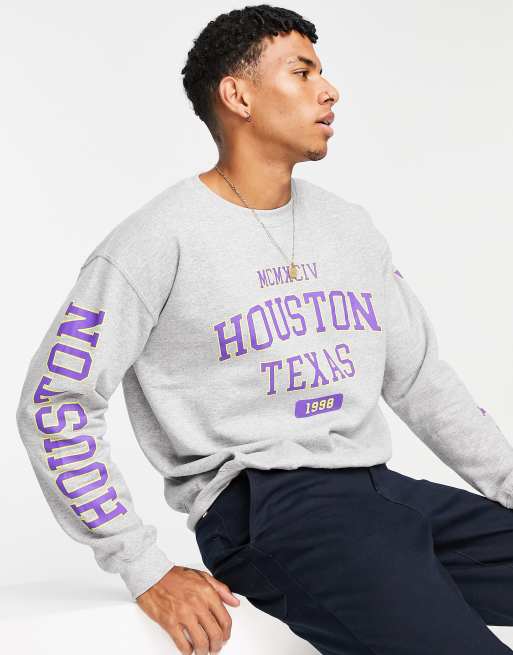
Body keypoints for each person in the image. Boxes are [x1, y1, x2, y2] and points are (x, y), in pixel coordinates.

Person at [15, 4, 513, 655]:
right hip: (271, 511)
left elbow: (421, 381)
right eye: (302, 72)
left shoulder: (349, 227)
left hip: (382, 491)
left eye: (321, 72)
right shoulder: (155, 241)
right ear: (239, 95)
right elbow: (55, 403)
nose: (329, 91)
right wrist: (142, 565)